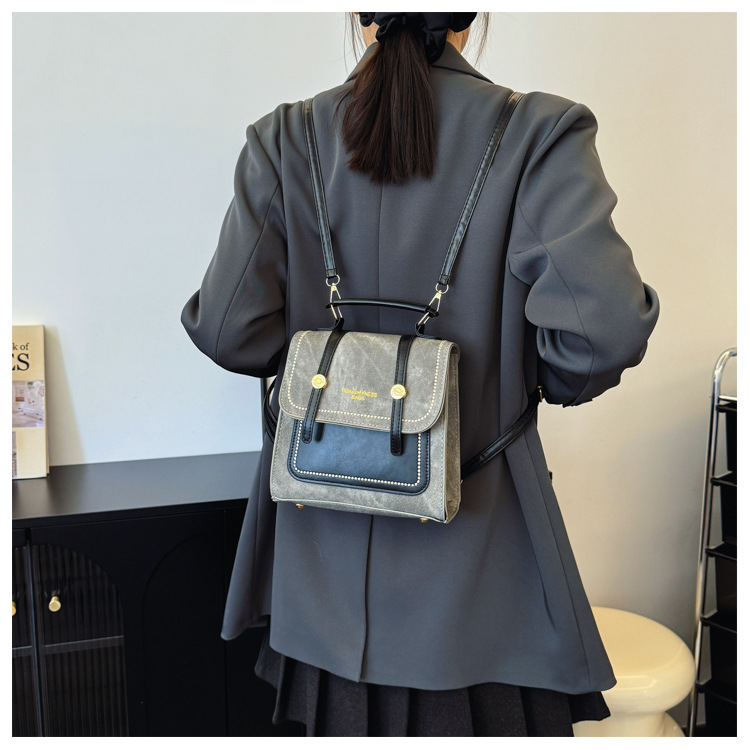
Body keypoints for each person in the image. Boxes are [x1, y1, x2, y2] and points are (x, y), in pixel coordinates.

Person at [181, 12, 659, 737]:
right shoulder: (539, 134)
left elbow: (227, 330)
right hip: (481, 587)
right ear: (473, 14)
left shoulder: (285, 138)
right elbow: (603, 332)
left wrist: (333, 371)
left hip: (321, 578)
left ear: (360, 13)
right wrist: (528, 381)